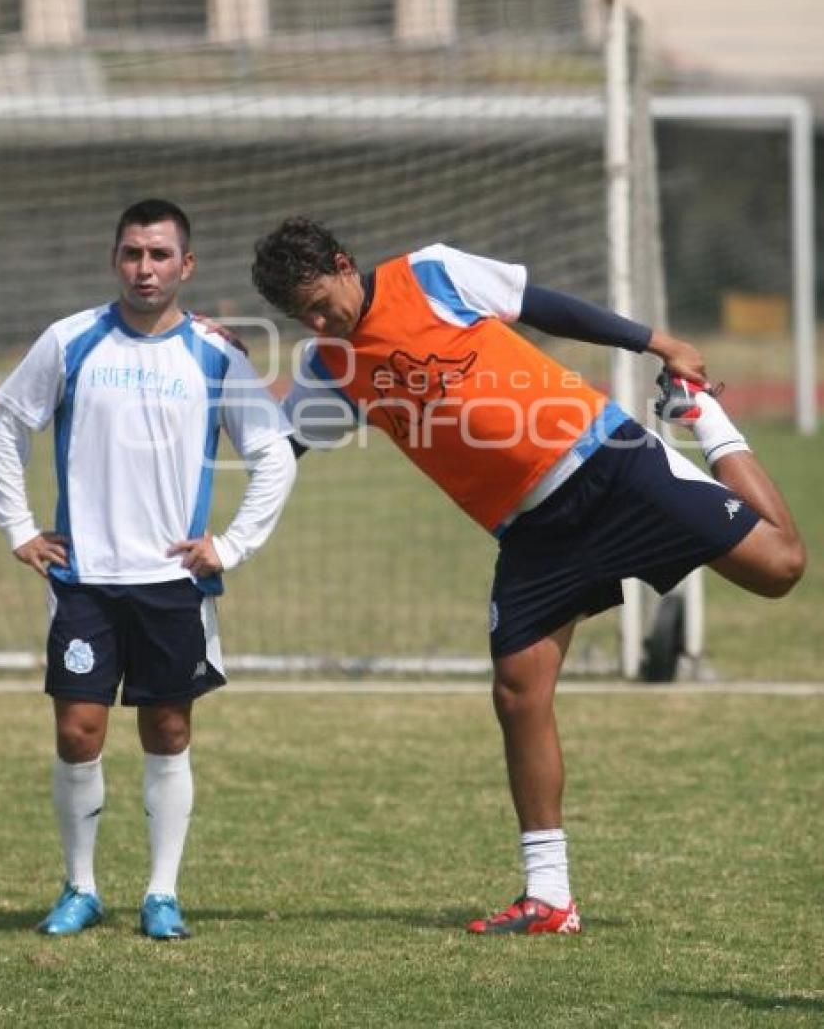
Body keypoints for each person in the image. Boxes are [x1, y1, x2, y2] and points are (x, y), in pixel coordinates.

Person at [251, 217, 805, 936]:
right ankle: (549, 895)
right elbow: (279, 442)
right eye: (304, 316)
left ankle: (702, 414)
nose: (320, 320)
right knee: (518, 690)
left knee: (780, 567)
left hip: (608, 465)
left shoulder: (432, 274)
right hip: (533, 532)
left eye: (322, 301)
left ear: (343, 263)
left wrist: (657, 344)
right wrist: (204, 380)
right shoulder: (329, 365)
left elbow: (543, 305)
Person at [0, 199, 296, 940]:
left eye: (160, 255)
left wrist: (231, 544)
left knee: (168, 728)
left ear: (186, 265)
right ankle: (81, 885)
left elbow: (273, 453)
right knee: (78, 729)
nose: (145, 267)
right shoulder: (70, 340)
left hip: (172, 584)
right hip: (84, 576)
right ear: (113, 259)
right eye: (132, 253)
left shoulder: (216, 353)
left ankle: (161, 893)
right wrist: (19, 528)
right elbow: (6, 424)